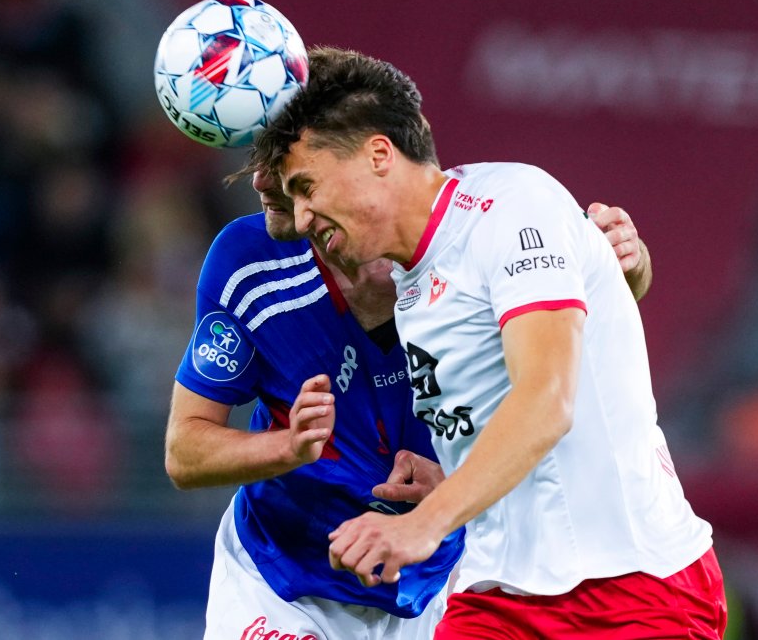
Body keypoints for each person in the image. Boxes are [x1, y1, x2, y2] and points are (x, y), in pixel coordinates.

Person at [252, 47, 725, 639]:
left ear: (378, 154)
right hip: (497, 596)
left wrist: (424, 522)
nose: (301, 219)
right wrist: (452, 482)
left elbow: (548, 397)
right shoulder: (410, 283)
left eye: (306, 186)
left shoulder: (513, 206)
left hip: (632, 591)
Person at [166, 121, 655, 637]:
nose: (262, 181)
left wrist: (624, 262)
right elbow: (184, 451)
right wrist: (287, 448)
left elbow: (566, 350)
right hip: (284, 580)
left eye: (289, 170)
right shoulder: (252, 264)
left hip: (439, 578)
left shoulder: (472, 246)